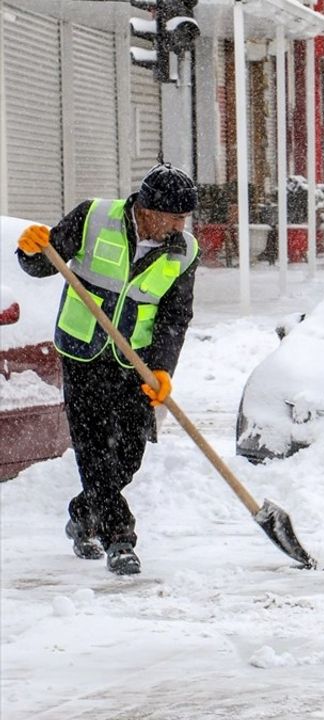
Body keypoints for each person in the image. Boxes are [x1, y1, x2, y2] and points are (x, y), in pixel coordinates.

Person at [15, 163, 201, 575]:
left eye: (182, 220)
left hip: (133, 362)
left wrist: (163, 369)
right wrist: (30, 248)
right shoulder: (94, 217)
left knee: (129, 454)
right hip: (83, 355)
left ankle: (84, 513)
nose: (177, 227)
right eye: (171, 218)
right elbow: (43, 264)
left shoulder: (183, 251)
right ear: (147, 209)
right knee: (95, 449)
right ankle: (119, 538)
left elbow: (175, 316)